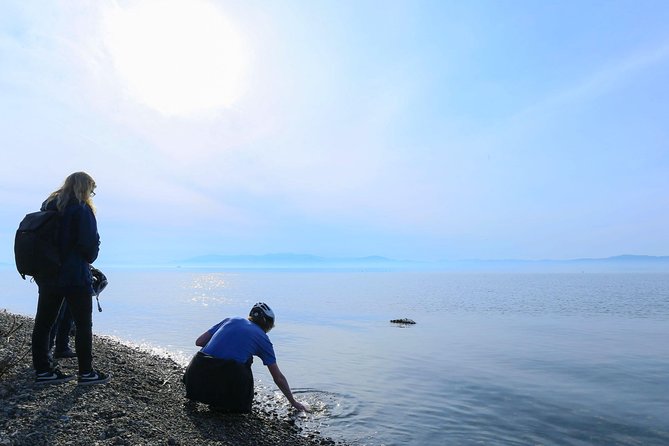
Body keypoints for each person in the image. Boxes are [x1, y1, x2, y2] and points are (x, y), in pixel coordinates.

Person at [31, 172, 111, 385]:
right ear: (85, 188)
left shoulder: (48, 206)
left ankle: (43, 371)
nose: (92, 194)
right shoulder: (82, 209)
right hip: (75, 276)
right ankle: (86, 373)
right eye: (92, 190)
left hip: (47, 275)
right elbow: (89, 247)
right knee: (84, 325)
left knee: (44, 324)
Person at [184, 302, 306, 413]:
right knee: (246, 360)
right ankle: (229, 403)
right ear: (267, 323)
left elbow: (199, 342)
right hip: (221, 387)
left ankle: (209, 396)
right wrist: (293, 402)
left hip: (194, 382)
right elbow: (278, 377)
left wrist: (226, 342)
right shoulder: (263, 338)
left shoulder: (231, 320)